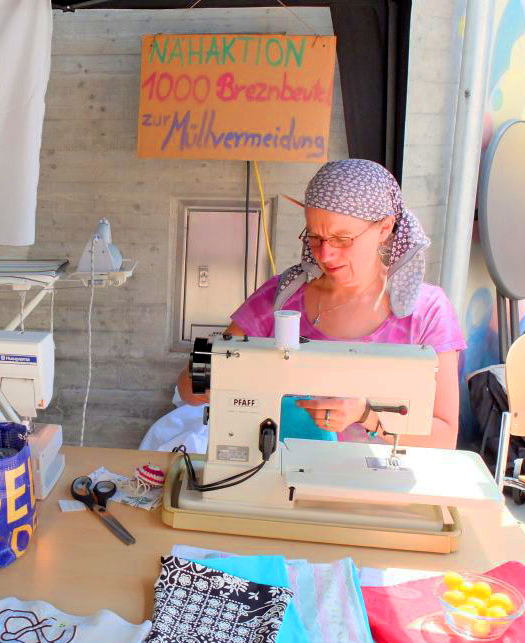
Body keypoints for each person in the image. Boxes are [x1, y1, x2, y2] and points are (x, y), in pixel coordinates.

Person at [177, 158, 465, 449]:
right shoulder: (281, 298)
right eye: (315, 237)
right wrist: (208, 378)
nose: (325, 254)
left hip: (381, 486)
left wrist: (366, 415)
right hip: (283, 476)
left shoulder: (427, 313)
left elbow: (445, 436)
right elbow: (188, 386)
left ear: (385, 228)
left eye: (342, 238)